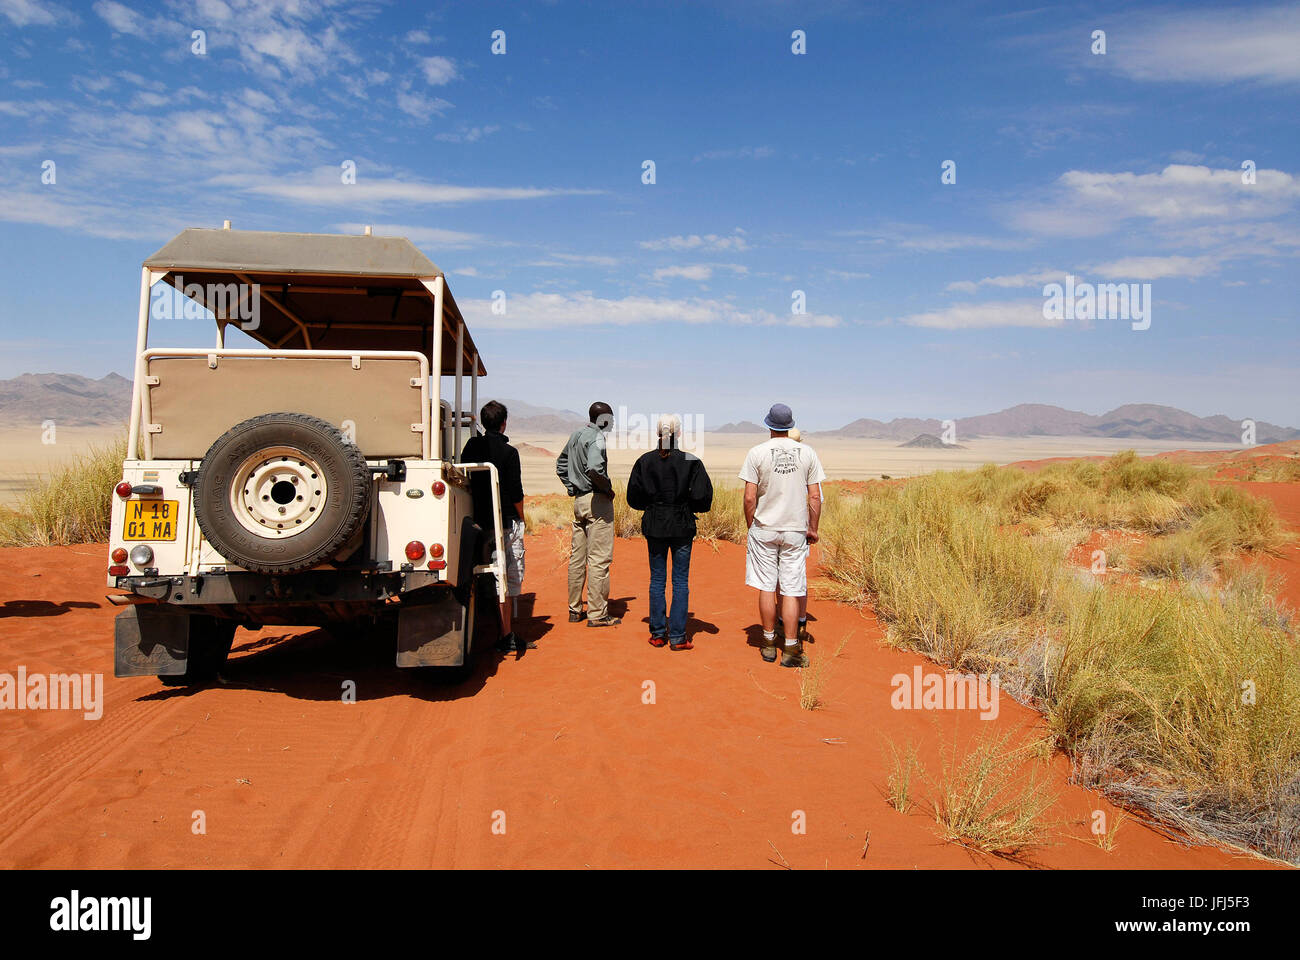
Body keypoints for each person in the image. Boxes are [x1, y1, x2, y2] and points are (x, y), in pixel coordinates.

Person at [739, 403, 826, 668]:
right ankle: (790, 647)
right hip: (794, 530)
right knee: (790, 588)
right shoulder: (807, 453)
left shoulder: (756, 453)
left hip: (764, 528)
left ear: (769, 425)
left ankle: (767, 643)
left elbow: (749, 496)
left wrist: (750, 524)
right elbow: (814, 496)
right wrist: (813, 527)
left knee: (767, 585)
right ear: (790, 425)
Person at [626, 414, 714, 651]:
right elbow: (702, 498)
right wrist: (684, 507)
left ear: (657, 434)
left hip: (655, 525)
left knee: (657, 579)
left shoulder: (644, 461)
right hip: (681, 526)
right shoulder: (691, 461)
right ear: (679, 434)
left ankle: (657, 634)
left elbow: (633, 497)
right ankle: (677, 636)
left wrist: (653, 506)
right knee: (680, 580)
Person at [460, 400, 528, 652]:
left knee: (485, 571)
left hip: (477, 521)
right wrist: (523, 518)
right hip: (505, 522)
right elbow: (516, 493)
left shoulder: (470, 447)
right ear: (503, 423)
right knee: (507, 576)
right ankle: (506, 634)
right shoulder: (509, 453)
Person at [556, 402, 621, 627]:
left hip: (579, 502)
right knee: (599, 560)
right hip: (596, 502)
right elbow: (594, 469)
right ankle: (597, 614)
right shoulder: (597, 438)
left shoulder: (576, 435)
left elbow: (561, 465)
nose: (613, 422)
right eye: (611, 418)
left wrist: (572, 487)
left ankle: (575, 609)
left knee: (577, 558)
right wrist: (607, 490)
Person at [783, 427, 821, 644]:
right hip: (799, 529)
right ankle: (800, 622)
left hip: (774, 527)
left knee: (779, 581)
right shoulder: (808, 459)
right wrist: (812, 528)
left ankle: (781, 623)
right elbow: (816, 498)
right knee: (797, 579)